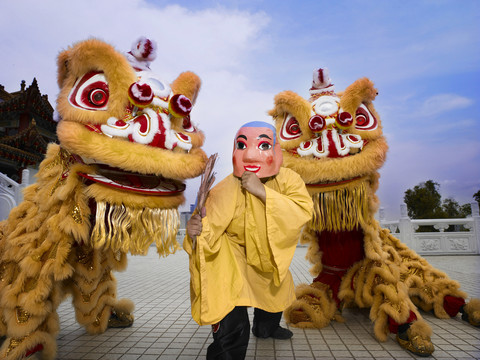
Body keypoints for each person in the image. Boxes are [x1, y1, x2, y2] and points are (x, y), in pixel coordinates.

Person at [184, 121, 313, 359]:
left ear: (276, 151)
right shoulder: (226, 187)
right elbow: (209, 223)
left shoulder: (289, 180)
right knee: (229, 311)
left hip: (268, 252)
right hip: (232, 257)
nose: (251, 154)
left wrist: (262, 192)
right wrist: (196, 230)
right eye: (242, 145)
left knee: (272, 292)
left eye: (263, 145)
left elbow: (302, 210)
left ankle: (267, 327)